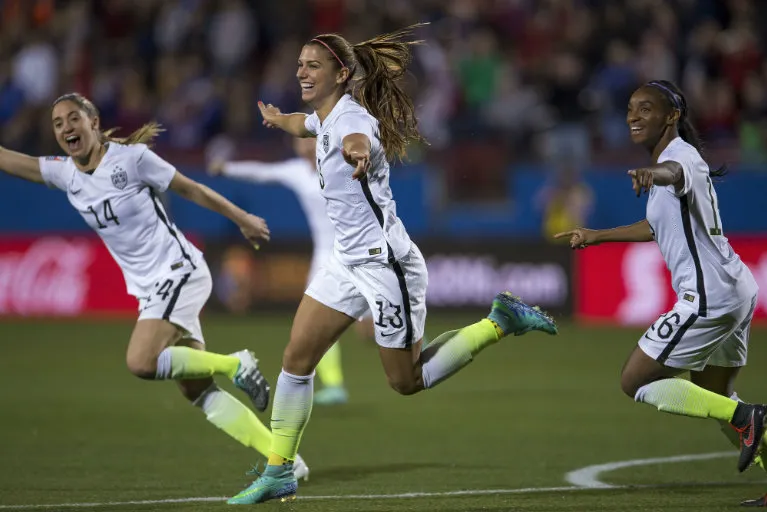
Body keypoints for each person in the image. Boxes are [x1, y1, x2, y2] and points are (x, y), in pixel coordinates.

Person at [226, 24, 558, 505]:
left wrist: (358, 153)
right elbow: (308, 124)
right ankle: (280, 471)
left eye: (312, 65)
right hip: (345, 261)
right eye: (299, 63)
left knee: (407, 381)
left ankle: (498, 322)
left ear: (341, 74)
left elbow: (359, 139)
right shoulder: (325, 116)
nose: (301, 70)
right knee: (296, 360)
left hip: (386, 265)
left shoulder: (350, 123)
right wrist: (281, 121)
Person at [0, 92, 309, 481]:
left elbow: (190, 189)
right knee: (196, 390)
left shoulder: (132, 160)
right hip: (152, 289)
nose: (66, 128)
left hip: (178, 271)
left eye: (73, 118)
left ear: (93, 123)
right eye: (58, 123)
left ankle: (237, 364)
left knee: (141, 361)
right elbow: (11, 160)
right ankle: (284, 462)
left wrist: (241, 217)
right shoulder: (65, 173)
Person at [554, 80, 767, 506]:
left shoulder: (679, 160)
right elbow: (656, 227)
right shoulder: (669, 162)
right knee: (716, 399)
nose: (633, 116)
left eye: (646, 109)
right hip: (734, 288)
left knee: (635, 381)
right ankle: (745, 420)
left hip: (709, 296)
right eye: (631, 108)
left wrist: (656, 173)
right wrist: (596, 236)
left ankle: (750, 416)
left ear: (672, 116)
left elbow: (676, 175)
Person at [208, 136, 378, 406]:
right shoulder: (297, 172)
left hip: (357, 252)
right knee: (318, 323)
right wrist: (227, 169)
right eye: (301, 141)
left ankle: (412, 337)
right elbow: (262, 173)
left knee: (373, 330)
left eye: (311, 139)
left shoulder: (342, 167)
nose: (306, 146)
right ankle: (334, 385)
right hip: (325, 257)